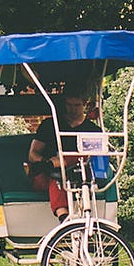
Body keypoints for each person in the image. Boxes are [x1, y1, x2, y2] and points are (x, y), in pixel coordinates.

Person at [27, 88, 102, 220]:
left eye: (77, 105)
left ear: (84, 104)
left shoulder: (93, 130)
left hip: (80, 175)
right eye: (69, 105)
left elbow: (99, 157)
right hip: (47, 173)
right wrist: (47, 162)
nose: (72, 110)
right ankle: (64, 219)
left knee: (68, 169)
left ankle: (85, 220)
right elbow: (33, 154)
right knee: (57, 175)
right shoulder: (50, 125)